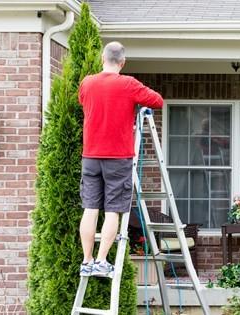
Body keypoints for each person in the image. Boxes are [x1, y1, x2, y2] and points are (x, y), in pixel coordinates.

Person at [78, 41, 163, 277]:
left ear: (102, 59)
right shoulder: (128, 84)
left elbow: (84, 102)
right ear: (122, 62)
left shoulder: (87, 83)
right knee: (113, 210)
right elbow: (157, 100)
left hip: (91, 156)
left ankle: (87, 261)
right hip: (118, 158)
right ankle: (102, 261)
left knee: (90, 208)